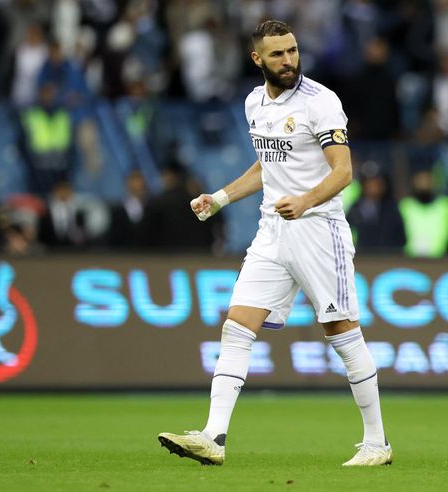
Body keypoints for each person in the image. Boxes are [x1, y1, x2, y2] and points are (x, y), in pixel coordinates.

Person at [157, 20, 391, 467]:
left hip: (319, 230)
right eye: (278, 54)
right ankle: (213, 436)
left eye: (293, 50)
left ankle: (377, 443)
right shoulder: (253, 103)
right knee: (236, 324)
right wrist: (221, 197)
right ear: (257, 59)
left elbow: (343, 171)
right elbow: (267, 164)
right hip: (272, 231)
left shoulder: (320, 102)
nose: (288, 60)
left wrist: (304, 201)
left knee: (341, 333)